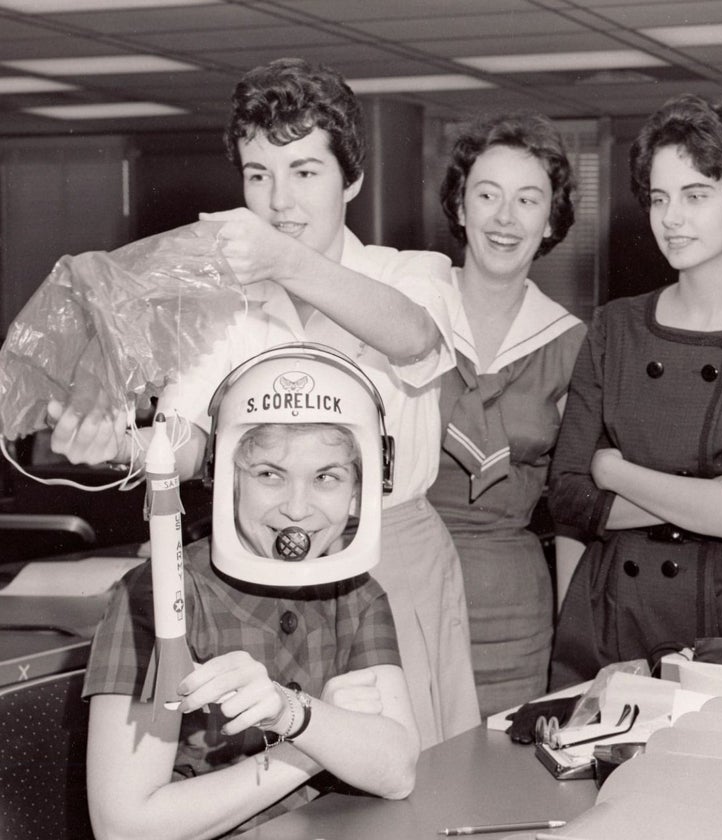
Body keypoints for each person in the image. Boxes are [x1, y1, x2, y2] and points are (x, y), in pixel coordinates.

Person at [51, 57, 479, 746]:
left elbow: (414, 338)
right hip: (257, 567)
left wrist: (284, 260)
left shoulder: (408, 273)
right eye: (259, 175)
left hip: (391, 557)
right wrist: (118, 445)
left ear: (353, 179)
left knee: (413, 761)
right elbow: (189, 444)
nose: (279, 201)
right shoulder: (225, 306)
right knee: (276, 768)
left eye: (305, 172)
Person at [548, 94, 722, 689]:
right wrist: (712, 497)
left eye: (695, 195)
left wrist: (615, 471)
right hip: (613, 619)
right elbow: (568, 497)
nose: (670, 218)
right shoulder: (614, 327)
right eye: (659, 198)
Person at [84, 346, 420, 840]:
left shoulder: (359, 595)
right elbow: (126, 826)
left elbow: (397, 769)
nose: (297, 510)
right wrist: (313, 733)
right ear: (226, 480)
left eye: (326, 477)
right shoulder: (159, 594)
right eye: (269, 475)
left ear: (359, 492)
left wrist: (292, 713)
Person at [427, 112, 587, 716]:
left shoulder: (573, 344)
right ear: (461, 206)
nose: (504, 217)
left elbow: (576, 505)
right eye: (487, 195)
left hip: (512, 608)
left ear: (549, 222)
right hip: (400, 584)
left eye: (528, 200)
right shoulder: (406, 309)